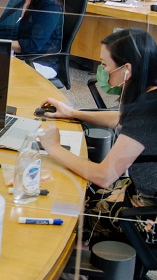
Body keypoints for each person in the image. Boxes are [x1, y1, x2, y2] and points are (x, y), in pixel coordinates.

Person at [38, 29, 157, 226]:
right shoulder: (151, 93)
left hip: (146, 213)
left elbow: (104, 176)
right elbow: (123, 120)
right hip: (138, 191)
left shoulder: (148, 108)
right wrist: (73, 113)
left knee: (60, 206)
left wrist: (53, 148)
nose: (100, 70)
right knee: (70, 187)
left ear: (127, 68)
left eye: (104, 64)